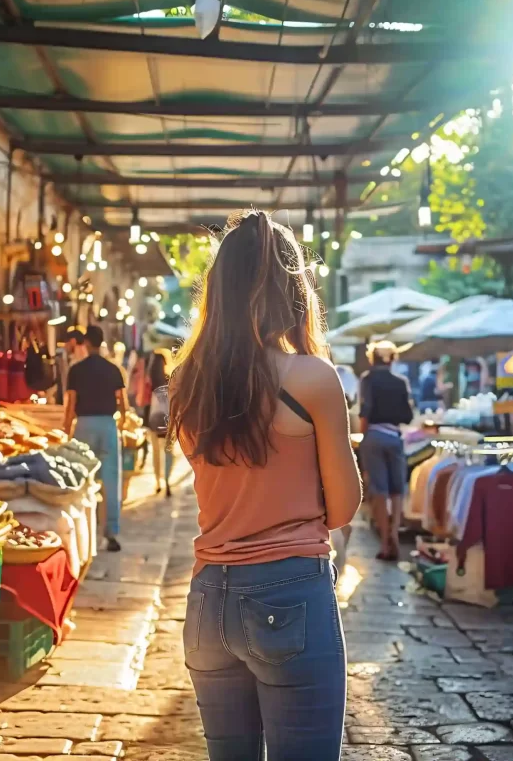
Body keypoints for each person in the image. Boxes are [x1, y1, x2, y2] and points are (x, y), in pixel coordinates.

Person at [167, 210, 361, 761]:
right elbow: (343, 508)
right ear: (291, 289)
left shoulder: (187, 383)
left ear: (219, 288)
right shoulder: (312, 379)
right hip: (290, 593)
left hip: (207, 601)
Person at [63, 325, 127, 552]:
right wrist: (117, 424)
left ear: (85, 343)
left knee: (80, 480)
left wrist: (65, 430)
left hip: (84, 426)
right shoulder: (114, 369)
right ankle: (111, 534)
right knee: (111, 482)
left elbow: (71, 405)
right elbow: (123, 404)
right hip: (108, 425)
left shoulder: (76, 370)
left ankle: (81, 532)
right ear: (101, 343)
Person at [359, 340, 414, 561]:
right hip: (394, 436)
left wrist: (364, 438)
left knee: (379, 490)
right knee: (397, 490)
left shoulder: (367, 379)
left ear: (372, 359)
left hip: (374, 436)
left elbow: (365, 411)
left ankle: (384, 543)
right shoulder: (401, 382)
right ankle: (395, 534)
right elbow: (408, 416)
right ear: (392, 359)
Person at [146, 349, 174, 496]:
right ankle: (167, 481)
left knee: (156, 453)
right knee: (168, 452)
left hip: (151, 419)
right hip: (167, 419)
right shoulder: (169, 379)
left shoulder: (148, 382)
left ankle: (158, 481)